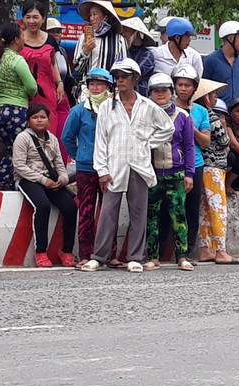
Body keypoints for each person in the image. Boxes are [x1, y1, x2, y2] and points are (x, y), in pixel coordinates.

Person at [80, 58, 175, 273]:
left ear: (135, 79)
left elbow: (167, 128)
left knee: (138, 213)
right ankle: (99, 257)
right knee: (108, 213)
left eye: (125, 76)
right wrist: (102, 171)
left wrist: (146, 144)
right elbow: (101, 140)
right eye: (118, 77)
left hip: (139, 165)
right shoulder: (106, 106)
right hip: (114, 166)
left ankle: (135, 257)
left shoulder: (147, 106)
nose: (120, 80)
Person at [12, 104, 76, 267]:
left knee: (70, 207)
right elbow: (19, 166)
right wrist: (42, 180)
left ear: (48, 120)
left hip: (50, 179)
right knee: (42, 206)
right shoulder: (23, 138)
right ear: (28, 121)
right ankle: (40, 251)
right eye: (35, 117)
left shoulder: (53, 139)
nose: (39, 120)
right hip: (28, 179)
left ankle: (66, 250)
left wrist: (62, 179)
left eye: (42, 117)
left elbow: (59, 164)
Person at [61, 68, 113, 268]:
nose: (95, 87)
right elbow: (67, 137)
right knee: (86, 211)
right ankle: (85, 254)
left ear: (108, 86)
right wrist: (80, 155)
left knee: (109, 212)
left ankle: (110, 253)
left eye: (99, 84)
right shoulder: (79, 111)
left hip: (110, 167)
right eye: (92, 84)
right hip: (86, 168)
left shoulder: (114, 109)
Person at [143, 73, 194, 271]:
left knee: (179, 216)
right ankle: (153, 257)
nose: (160, 94)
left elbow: (189, 146)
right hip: (152, 174)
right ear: (150, 94)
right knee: (151, 218)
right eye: (156, 91)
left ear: (171, 92)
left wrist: (189, 173)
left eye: (164, 90)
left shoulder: (183, 116)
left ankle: (182, 256)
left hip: (176, 173)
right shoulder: (145, 116)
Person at [0, 22, 37, 191]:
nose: (24, 39)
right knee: (18, 147)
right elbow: (32, 87)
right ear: (16, 39)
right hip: (15, 109)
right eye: (22, 36)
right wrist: (26, 94)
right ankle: (3, 181)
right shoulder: (17, 60)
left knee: (7, 146)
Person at [194, 77, 239, 265]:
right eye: (213, 95)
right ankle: (221, 250)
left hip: (202, 166)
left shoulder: (196, 114)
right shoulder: (211, 116)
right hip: (214, 167)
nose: (215, 97)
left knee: (205, 210)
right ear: (206, 98)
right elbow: (224, 142)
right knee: (217, 209)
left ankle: (206, 248)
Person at [172, 64, 209, 254]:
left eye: (188, 85)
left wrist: (189, 127)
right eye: (180, 85)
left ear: (194, 88)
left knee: (191, 210)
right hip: (172, 165)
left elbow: (205, 141)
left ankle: (187, 250)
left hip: (195, 164)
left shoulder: (201, 112)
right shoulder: (167, 108)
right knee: (169, 209)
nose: (184, 89)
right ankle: (163, 250)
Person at [20, 2, 63, 137]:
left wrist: (60, 83)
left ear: (43, 18)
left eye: (35, 17)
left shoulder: (50, 40)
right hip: (23, 95)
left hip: (48, 94)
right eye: (28, 17)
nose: (31, 21)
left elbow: (53, 63)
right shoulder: (17, 39)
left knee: (49, 135)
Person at [73, 0, 127, 79]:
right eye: (90, 15)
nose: (91, 18)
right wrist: (86, 52)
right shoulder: (84, 38)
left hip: (110, 89)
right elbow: (78, 69)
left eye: (94, 14)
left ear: (105, 17)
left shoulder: (119, 40)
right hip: (88, 88)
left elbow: (123, 68)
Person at [45, 18, 73, 163]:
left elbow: (67, 73)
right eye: (52, 32)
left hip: (62, 95)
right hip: (45, 93)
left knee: (64, 130)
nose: (56, 35)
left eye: (58, 32)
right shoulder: (42, 49)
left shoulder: (61, 51)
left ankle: (61, 163)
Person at [203, 20, 239, 106]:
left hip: (235, 113)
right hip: (218, 111)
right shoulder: (211, 60)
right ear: (230, 38)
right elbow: (204, 89)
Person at [120, 17, 156, 96]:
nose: (123, 34)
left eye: (126, 31)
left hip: (141, 93)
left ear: (136, 33)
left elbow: (137, 72)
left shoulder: (147, 55)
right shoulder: (122, 51)